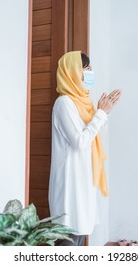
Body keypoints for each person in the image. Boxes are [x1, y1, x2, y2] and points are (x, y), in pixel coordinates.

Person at [49, 51, 122, 246]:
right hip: (70, 184)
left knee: (80, 236)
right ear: (72, 72)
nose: (90, 72)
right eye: (86, 68)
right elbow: (80, 141)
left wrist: (101, 112)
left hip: (83, 181)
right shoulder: (64, 103)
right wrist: (100, 114)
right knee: (68, 240)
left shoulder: (85, 102)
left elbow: (95, 134)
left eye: (90, 68)